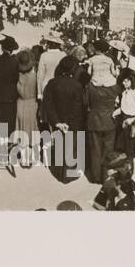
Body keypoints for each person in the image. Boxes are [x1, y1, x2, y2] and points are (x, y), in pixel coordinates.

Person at [42, 54, 85, 183]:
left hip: (57, 121)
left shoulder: (52, 83)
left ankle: (59, 172)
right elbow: (77, 108)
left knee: (59, 146)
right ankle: (69, 173)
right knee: (71, 147)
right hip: (72, 122)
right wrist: (68, 122)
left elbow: (48, 105)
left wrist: (57, 122)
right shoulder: (77, 86)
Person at [15, 50, 38, 168]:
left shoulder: (17, 77)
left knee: (21, 132)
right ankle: (32, 158)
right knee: (32, 132)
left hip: (20, 103)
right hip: (32, 104)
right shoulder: (35, 76)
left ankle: (23, 159)